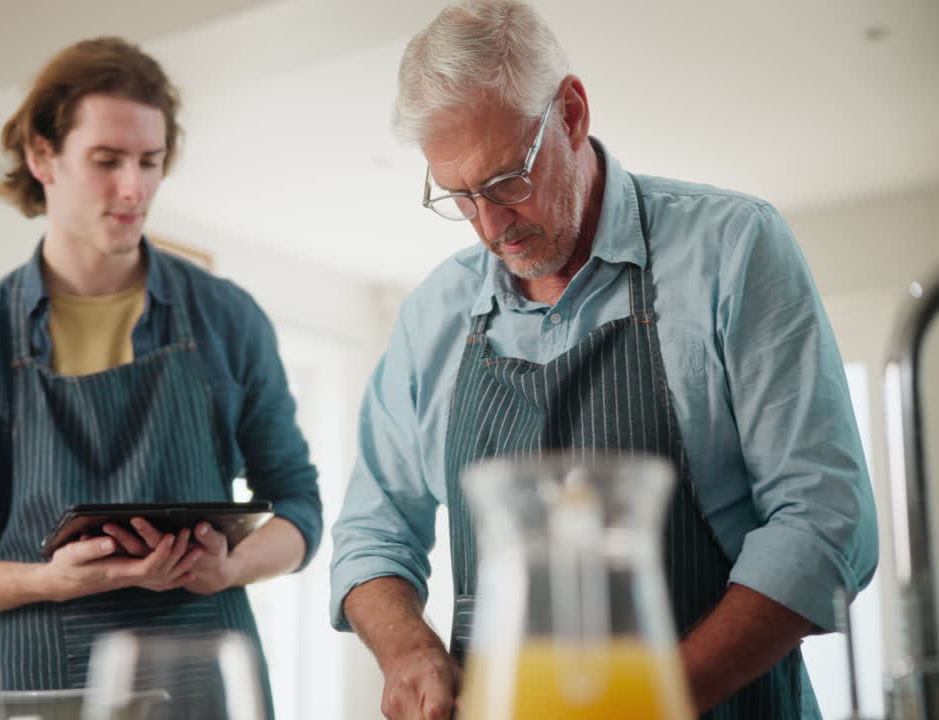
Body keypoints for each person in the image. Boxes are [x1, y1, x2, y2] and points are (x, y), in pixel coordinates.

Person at [328, 2, 877, 718]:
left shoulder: (733, 249)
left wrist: (651, 702)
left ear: (572, 112)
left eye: (505, 182)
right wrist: (407, 650)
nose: (491, 227)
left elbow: (826, 521)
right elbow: (371, 535)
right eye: (461, 198)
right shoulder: (433, 314)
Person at [0, 37, 322, 705]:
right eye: (107, 160)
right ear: (41, 156)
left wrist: (230, 567)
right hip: (37, 692)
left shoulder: (227, 317)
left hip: (204, 689)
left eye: (151, 161)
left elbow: (298, 508)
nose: (133, 188)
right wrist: (47, 580)